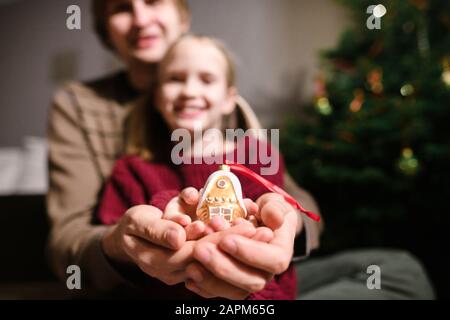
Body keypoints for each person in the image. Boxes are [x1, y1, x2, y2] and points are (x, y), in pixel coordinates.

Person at [47, 0, 434, 299]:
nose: (141, 18)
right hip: (160, 287)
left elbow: (296, 203)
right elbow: (70, 239)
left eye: (155, 1)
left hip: (262, 285)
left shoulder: (244, 142)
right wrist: (124, 243)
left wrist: (288, 223)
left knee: (397, 269)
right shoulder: (90, 117)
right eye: (121, 7)